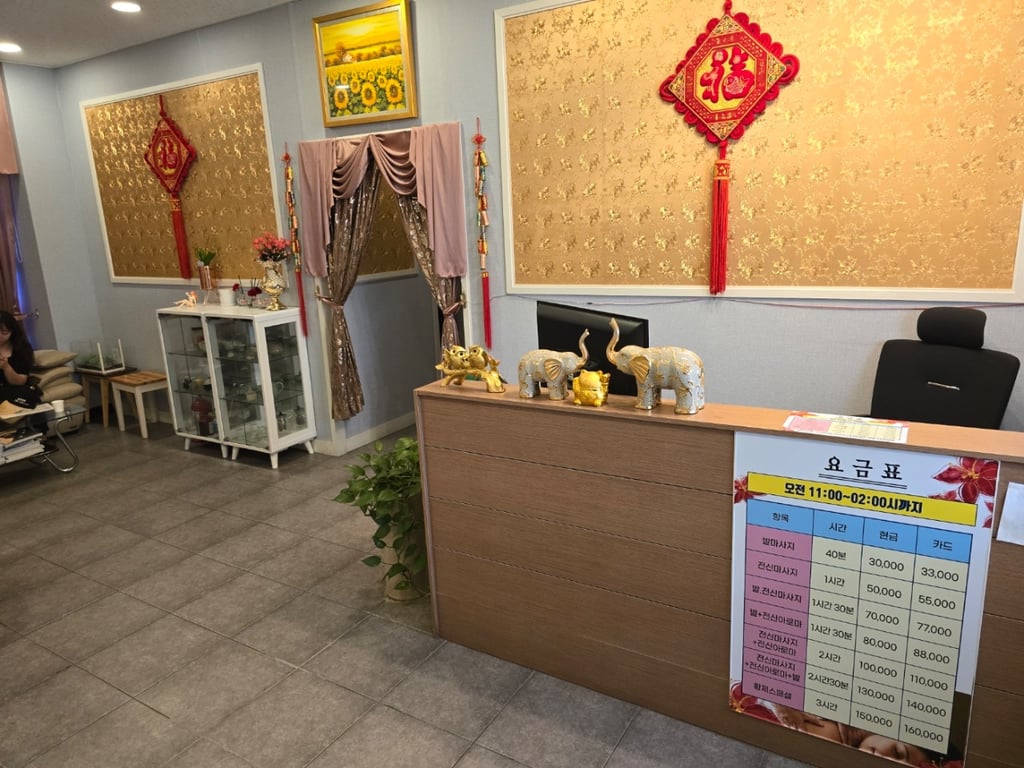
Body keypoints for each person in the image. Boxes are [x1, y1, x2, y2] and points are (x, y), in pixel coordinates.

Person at [0, 310, 35, 404]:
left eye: (4, 332)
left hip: (15, 391)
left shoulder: (22, 348)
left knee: (24, 394)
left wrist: (6, 367)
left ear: (12, 331)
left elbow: (20, 381)